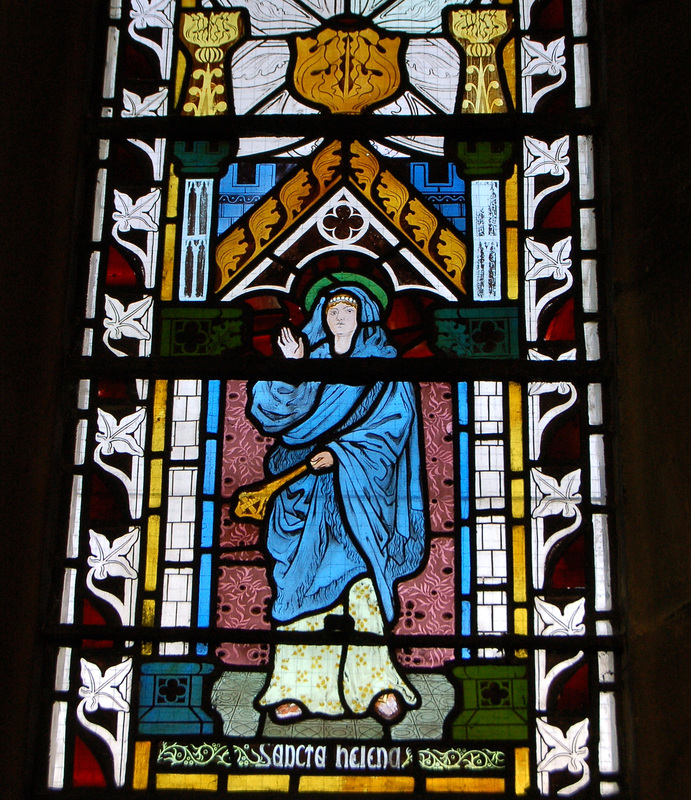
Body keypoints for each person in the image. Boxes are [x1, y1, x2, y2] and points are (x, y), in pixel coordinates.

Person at [247, 285, 427, 723]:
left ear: (364, 313)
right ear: (322, 316)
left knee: (360, 584)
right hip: (302, 488)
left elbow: (394, 426)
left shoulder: (384, 365)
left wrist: (343, 453)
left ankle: (375, 686)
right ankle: (296, 688)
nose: (340, 315)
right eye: (332, 308)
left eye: (349, 308)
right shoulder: (310, 358)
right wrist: (292, 368)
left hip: (360, 494)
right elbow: (273, 414)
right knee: (298, 587)